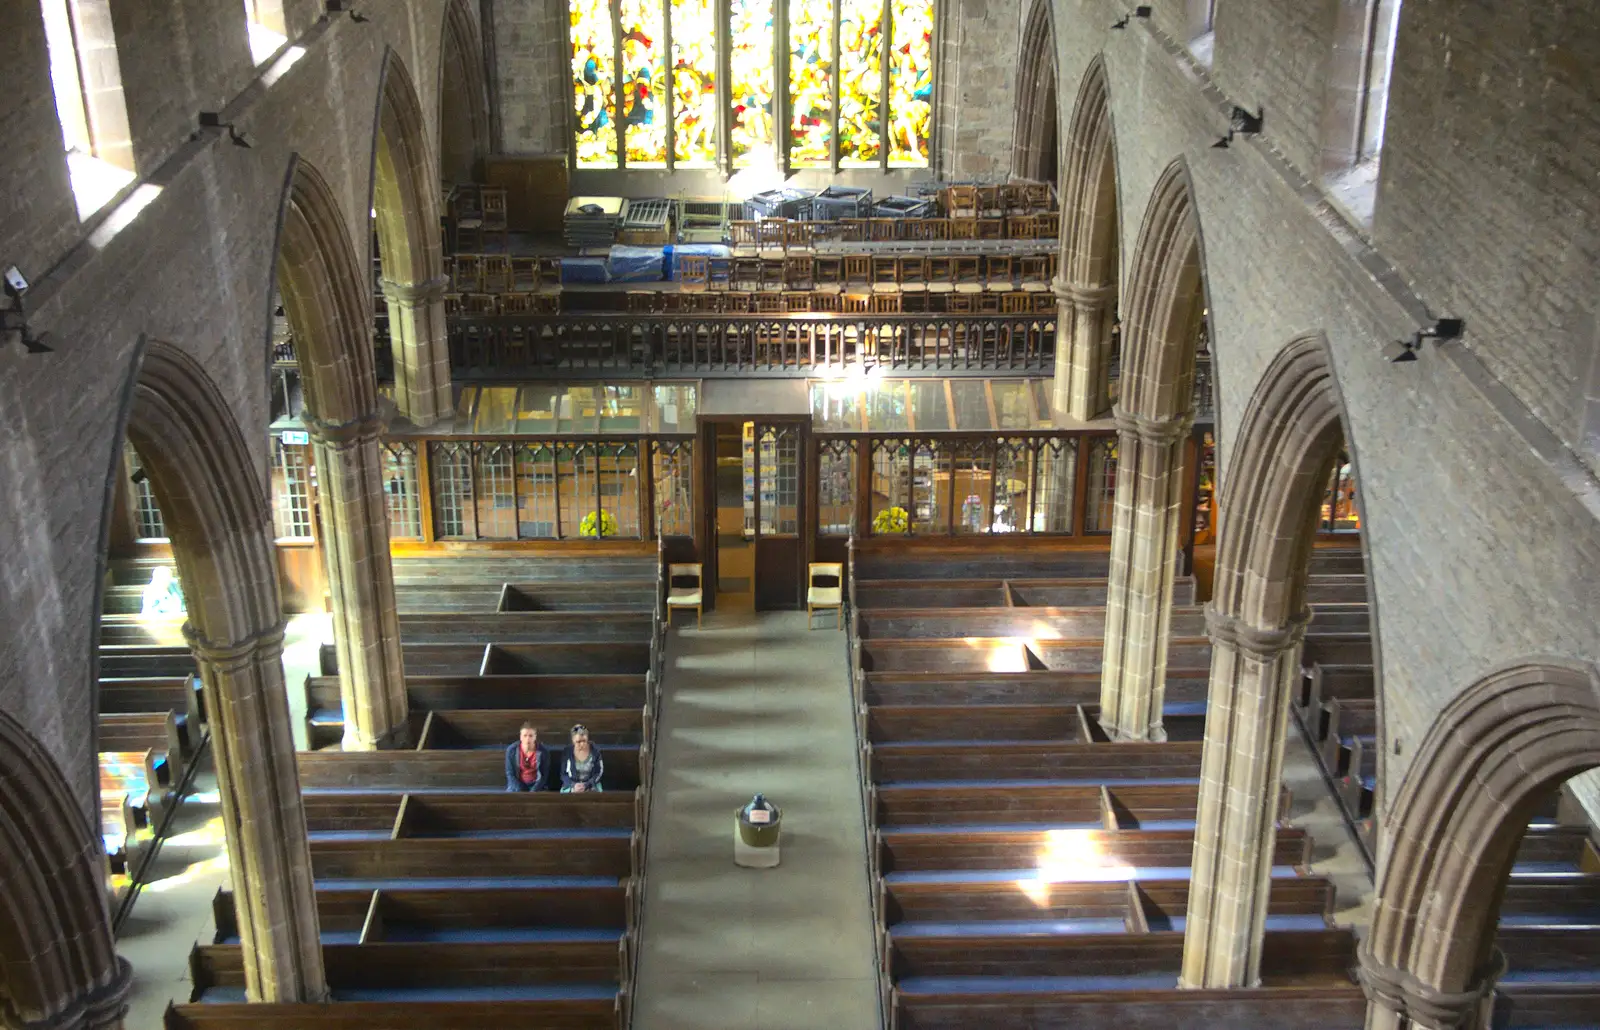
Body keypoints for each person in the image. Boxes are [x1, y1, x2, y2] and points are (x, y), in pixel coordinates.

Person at [504, 722, 548, 792]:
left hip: (536, 784)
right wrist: (520, 790)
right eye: (525, 735)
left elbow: (544, 775)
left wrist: (534, 790)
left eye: (530, 736)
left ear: (535, 737)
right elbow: (510, 773)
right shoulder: (512, 750)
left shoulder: (543, 751)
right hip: (517, 784)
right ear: (520, 737)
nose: (528, 738)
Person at [560, 723, 604, 793]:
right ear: (573, 740)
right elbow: (563, 774)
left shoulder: (595, 751)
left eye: (584, 741)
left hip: (591, 785)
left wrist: (587, 785)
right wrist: (573, 785)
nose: (582, 744)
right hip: (572, 785)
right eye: (578, 742)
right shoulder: (567, 751)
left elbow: (599, 772)